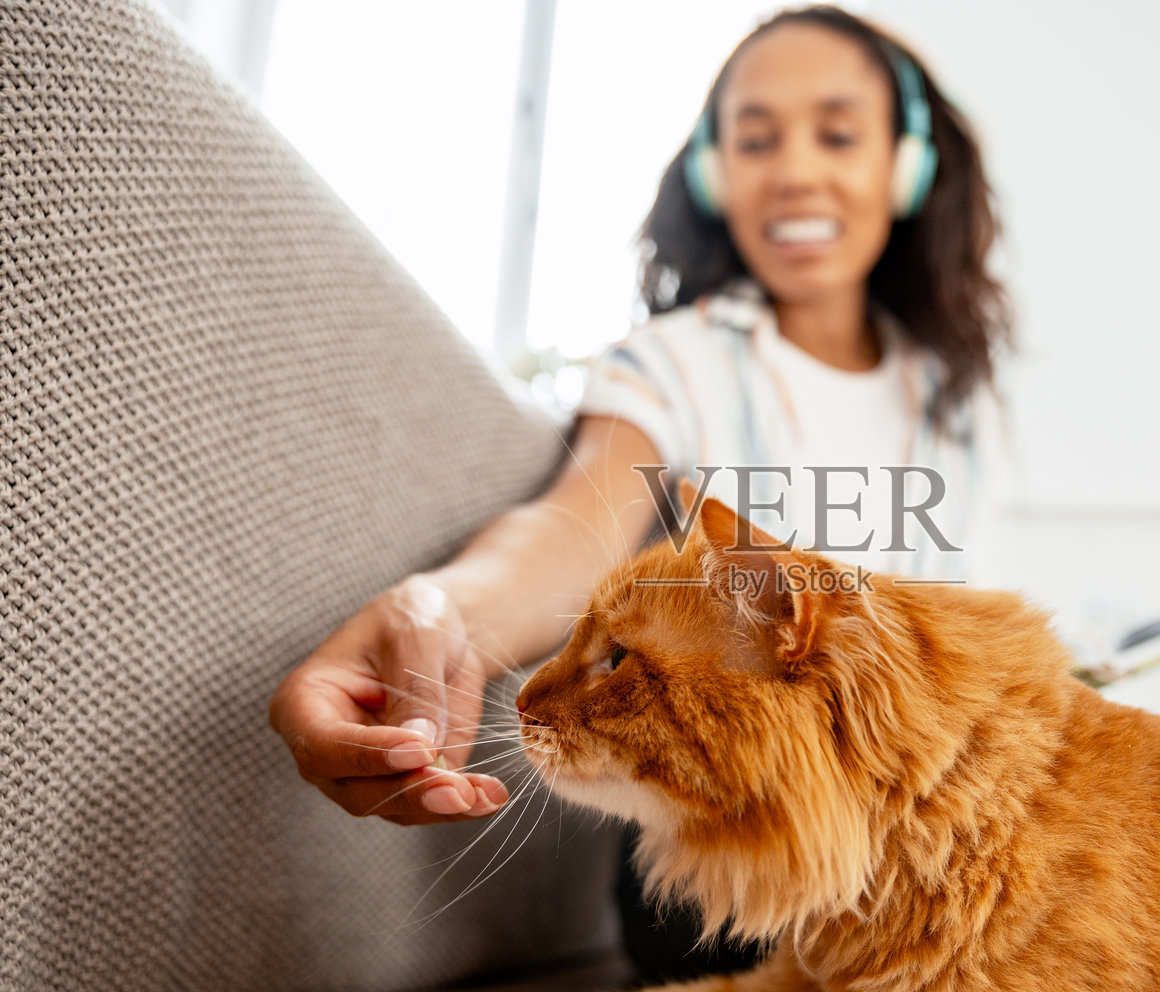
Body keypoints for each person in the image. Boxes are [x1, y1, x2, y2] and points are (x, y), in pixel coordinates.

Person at [268, 7, 1008, 839]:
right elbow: (569, 532)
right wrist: (442, 612)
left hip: (917, 816)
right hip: (744, 831)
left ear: (906, 169)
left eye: (837, 136)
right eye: (757, 141)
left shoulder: (950, 394)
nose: (795, 170)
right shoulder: (678, 363)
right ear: (714, 174)